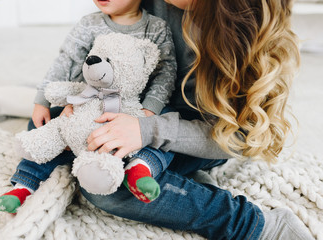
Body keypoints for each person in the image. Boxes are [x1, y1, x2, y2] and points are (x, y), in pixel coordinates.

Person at [80, 0, 315, 239]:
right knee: (87, 161)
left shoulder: (246, 25)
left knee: (109, 185)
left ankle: (258, 226)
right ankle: (188, 183)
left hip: (203, 136)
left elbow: (241, 137)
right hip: (140, 112)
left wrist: (149, 130)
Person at [0, 0, 177, 213]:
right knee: (40, 127)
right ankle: (24, 185)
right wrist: (42, 100)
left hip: (133, 109)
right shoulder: (89, 24)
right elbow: (66, 62)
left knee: (166, 127)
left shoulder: (156, 27)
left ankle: (139, 168)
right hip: (90, 105)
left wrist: (148, 111)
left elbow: (166, 72)